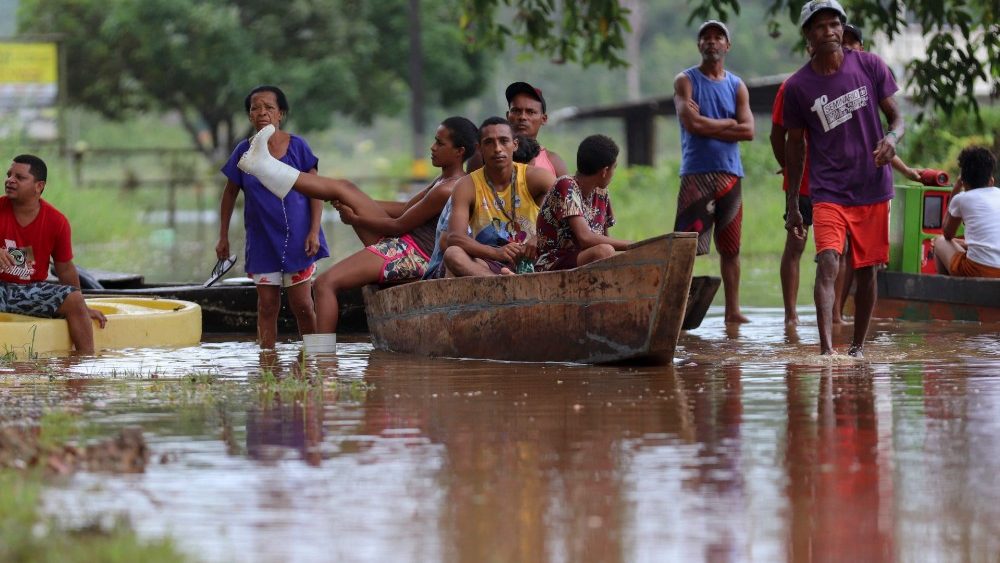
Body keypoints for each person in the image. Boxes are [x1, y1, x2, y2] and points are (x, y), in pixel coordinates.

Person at [237, 116, 479, 333]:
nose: (432, 147)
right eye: (434, 141)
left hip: (415, 256)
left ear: (459, 152)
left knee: (324, 284)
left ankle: (321, 362)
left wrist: (356, 218)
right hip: (406, 244)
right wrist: (354, 198)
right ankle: (263, 167)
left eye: (440, 143)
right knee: (345, 188)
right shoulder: (444, 179)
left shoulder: (449, 187)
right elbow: (406, 209)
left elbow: (397, 226)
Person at [783, 0, 904, 357]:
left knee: (867, 272)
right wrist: (793, 205)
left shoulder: (869, 66)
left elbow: (897, 118)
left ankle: (857, 349)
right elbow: (794, 148)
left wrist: (892, 140)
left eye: (834, 24)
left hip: (872, 187)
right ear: (808, 36)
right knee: (829, 261)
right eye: (820, 27)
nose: (829, 32)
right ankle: (825, 351)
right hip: (828, 191)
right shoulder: (798, 87)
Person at [218, 85, 329, 349]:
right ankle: (267, 363)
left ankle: (313, 360)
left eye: (269, 107)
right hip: (262, 239)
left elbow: (317, 192)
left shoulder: (298, 147)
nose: (262, 113)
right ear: (249, 116)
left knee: (302, 304)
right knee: (267, 306)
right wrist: (222, 236)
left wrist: (314, 230)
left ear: (280, 114)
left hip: (299, 237)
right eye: (255, 108)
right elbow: (229, 194)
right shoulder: (243, 152)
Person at [673, 20, 755, 323]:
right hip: (697, 173)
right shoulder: (686, 80)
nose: (712, 41)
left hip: (730, 175)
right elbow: (691, 124)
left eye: (718, 37)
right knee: (687, 247)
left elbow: (748, 130)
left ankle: (733, 311)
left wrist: (711, 124)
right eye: (705, 37)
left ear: (727, 45)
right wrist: (729, 124)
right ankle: (677, 308)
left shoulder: (737, 85)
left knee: (731, 247)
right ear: (699, 45)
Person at [0, 154, 107, 354]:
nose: (10, 180)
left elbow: (65, 268)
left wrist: (81, 308)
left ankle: (84, 368)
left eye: (20, 177)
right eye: (9, 175)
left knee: (74, 299)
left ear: (39, 186)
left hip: (29, 290)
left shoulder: (57, 221)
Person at [443, 117, 557, 277]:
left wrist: (540, 237)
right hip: (491, 265)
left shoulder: (537, 177)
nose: (497, 149)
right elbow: (454, 238)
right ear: (479, 148)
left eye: (504, 141)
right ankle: (502, 285)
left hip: (536, 261)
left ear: (515, 145)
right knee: (453, 254)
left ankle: (507, 286)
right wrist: (496, 253)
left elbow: (568, 214)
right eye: (489, 142)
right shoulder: (466, 185)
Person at [423, 134, 541, 280]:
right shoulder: (468, 188)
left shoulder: (531, 190)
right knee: (455, 256)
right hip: (468, 262)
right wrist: (496, 253)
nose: (527, 175)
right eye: (524, 170)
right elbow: (446, 241)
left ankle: (505, 281)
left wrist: (536, 240)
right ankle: (505, 284)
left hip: (499, 264)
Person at [535, 134, 631, 271]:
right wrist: (633, 245)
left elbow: (603, 237)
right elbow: (585, 238)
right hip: (552, 262)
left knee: (613, 253)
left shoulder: (601, 192)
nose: (613, 172)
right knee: (604, 251)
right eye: (614, 167)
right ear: (605, 171)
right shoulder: (566, 185)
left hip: (583, 259)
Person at [465, 82, 569, 177]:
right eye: (516, 111)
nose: (522, 117)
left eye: (530, 112)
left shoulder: (554, 162)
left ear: (544, 119)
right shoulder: (482, 155)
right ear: (507, 115)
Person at [932, 146, 1000, 278]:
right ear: (991, 180)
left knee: (939, 242)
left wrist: (956, 188)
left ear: (963, 181)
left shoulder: (962, 198)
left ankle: (946, 294)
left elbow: (947, 234)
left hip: (979, 270)